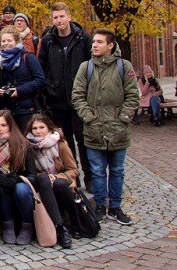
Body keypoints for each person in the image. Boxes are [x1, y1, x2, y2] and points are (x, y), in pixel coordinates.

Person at [71, 28, 139, 226]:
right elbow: (77, 95)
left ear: (110, 45)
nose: (94, 45)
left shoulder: (124, 67)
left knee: (117, 170)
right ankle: (100, 205)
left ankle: (115, 207)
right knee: (98, 170)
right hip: (93, 128)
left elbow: (133, 95)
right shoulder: (86, 67)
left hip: (118, 128)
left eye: (99, 42)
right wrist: (88, 117)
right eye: (94, 42)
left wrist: (123, 118)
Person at [39, 2, 93, 190]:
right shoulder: (48, 41)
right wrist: (49, 89)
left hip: (79, 98)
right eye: (55, 17)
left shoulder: (83, 38)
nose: (59, 20)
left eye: (62, 16)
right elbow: (42, 66)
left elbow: (90, 66)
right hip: (57, 99)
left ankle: (90, 177)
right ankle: (73, 175)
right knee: (66, 142)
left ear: (69, 17)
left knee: (83, 139)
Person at [25, 113, 77, 249]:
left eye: (41, 127)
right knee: (43, 178)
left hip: (62, 187)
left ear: (49, 128)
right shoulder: (28, 147)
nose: (38, 131)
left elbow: (73, 170)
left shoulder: (60, 144)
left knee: (58, 183)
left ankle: (69, 220)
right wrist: (46, 177)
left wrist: (57, 177)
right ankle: (60, 227)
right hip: (43, 187)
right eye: (34, 128)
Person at [0, 110, 36, 245]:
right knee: (1, 187)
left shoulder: (23, 144)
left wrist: (14, 180)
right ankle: (8, 227)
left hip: (20, 182)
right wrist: (0, 179)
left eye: (3, 125)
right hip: (0, 185)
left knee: (21, 189)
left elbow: (32, 175)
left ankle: (27, 227)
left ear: (10, 126)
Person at [0, 27, 46, 131]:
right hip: (7, 110)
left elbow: (40, 80)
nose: (6, 43)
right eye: (3, 41)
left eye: (9, 40)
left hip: (27, 109)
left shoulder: (28, 57)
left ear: (17, 41)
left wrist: (19, 91)